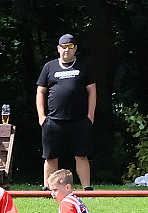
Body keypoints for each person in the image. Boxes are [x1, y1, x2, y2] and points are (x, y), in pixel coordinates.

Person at [36, 34, 96, 191]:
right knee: (50, 157)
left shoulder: (84, 66)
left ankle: (87, 189)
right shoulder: (49, 67)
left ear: (75, 49)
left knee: (82, 156)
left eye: (70, 47)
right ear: (58, 49)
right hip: (53, 121)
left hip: (79, 120)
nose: (66, 50)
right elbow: (40, 92)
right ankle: (48, 189)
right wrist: (42, 117)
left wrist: (90, 116)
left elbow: (92, 91)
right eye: (63, 47)